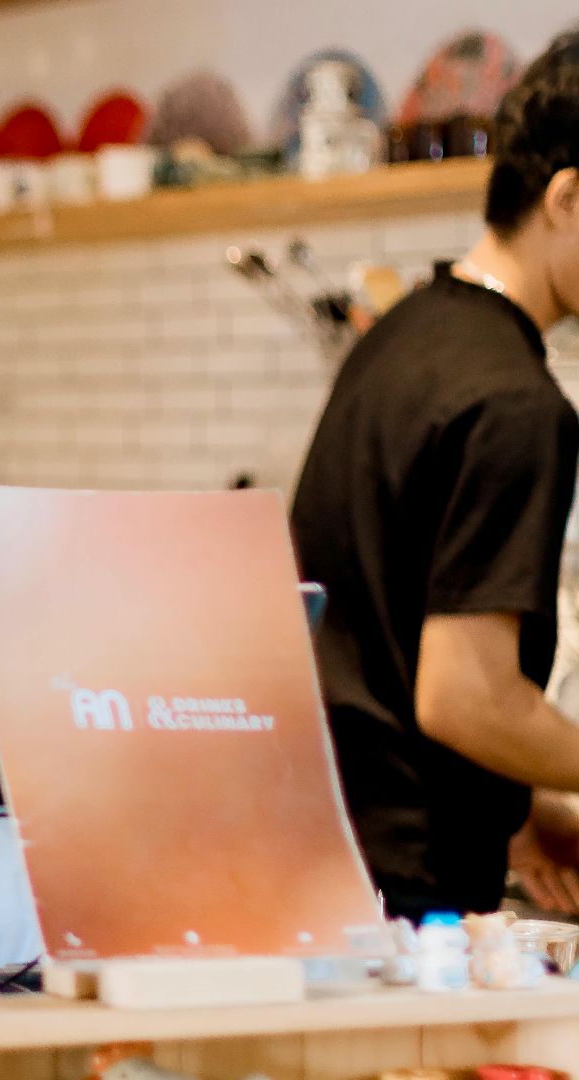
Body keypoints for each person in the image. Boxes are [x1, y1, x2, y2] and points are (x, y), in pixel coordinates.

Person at [291, 29, 579, 923]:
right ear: (567, 198)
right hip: (413, 897)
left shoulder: (402, 336)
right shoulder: (517, 405)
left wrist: (514, 813)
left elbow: (373, 637)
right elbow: (465, 697)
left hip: (320, 850)